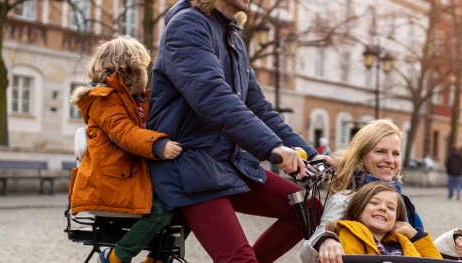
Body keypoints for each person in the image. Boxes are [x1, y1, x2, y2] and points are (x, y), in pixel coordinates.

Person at [146, 0, 333, 262]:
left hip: (226, 162)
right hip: (189, 164)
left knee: (308, 210)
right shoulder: (187, 25)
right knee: (239, 258)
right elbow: (213, 97)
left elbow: (260, 108)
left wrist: (313, 155)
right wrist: (271, 147)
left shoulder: (232, 36)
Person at [68, 36, 183, 263]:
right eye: (144, 70)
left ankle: (158, 258)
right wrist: (159, 145)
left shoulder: (136, 101)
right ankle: (114, 258)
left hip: (130, 177)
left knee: (189, 201)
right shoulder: (104, 100)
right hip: (111, 182)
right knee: (162, 211)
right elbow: (124, 133)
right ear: (129, 73)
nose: (147, 75)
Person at [300, 120, 462, 263]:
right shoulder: (348, 196)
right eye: (380, 151)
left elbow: (413, 249)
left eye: (396, 153)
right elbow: (309, 251)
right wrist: (326, 240)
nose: (390, 160)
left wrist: (452, 244)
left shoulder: (396, 194)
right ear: (362, 156)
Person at [307, 181, 462, 263]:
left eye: (390, 207)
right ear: (358, 210)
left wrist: (414, 235)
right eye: (374, 203)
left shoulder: (399, 240)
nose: (383, 208)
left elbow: (434, 260)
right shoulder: (350, 232)